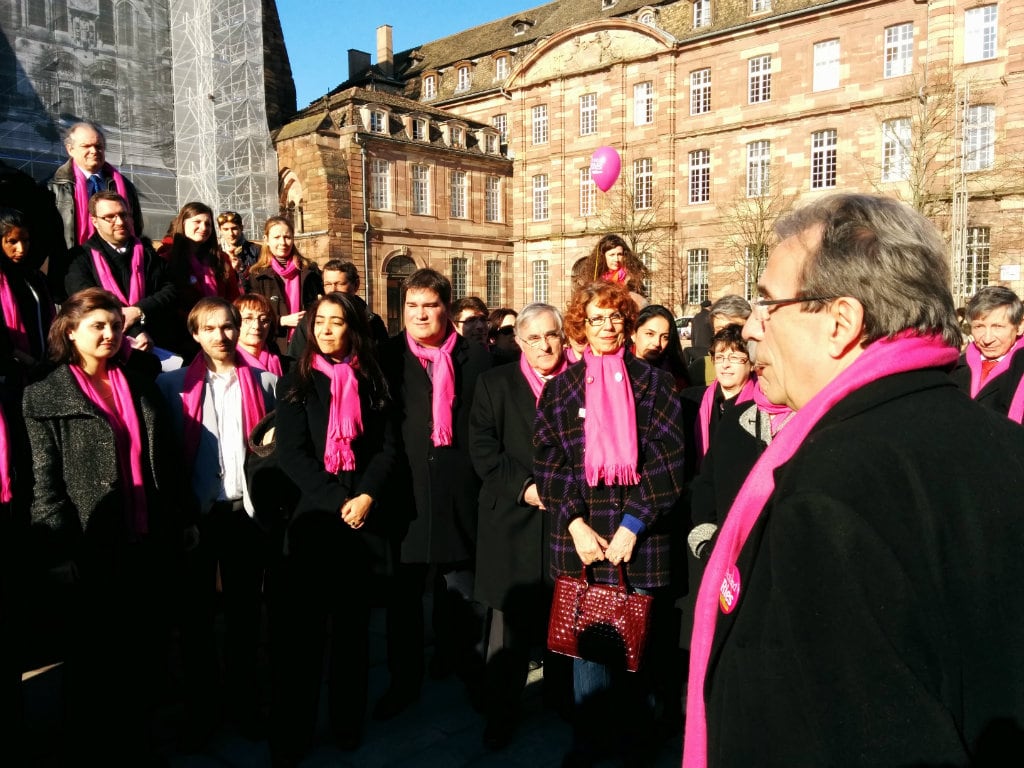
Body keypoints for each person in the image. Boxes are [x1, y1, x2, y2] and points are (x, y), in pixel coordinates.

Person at [685, 193, 1024, 767]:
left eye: (769, 303)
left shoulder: (830, 490)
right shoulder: (1001, 440)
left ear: (841, 322)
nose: (750, 330)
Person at [23, 287, 188, 764]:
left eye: (116, 324)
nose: (110, 333)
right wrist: (57, 550)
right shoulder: (44, 395)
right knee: (93, 659)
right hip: (92, 543)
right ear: (70, 331)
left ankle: (137, 741)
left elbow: (166, 459)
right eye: (97, 325)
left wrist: (178, 518)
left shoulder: (138, 382)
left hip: (146, 536)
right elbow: (44, 481)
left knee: (142, 652)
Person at [534, 280, 685, 767]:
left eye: (615, 317)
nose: (606, 326)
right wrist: (575, 523)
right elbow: (548, 461)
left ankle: (635, 745)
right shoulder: (560, 389)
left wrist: (632, 525)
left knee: (638, 653)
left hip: (637, 541)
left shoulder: (655, 383)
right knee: (588, 652)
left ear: (626, 324)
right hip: (582, 541)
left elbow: (669, 460)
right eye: (596, 318)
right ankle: (589, 742)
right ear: (582, 323)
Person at [269, 293, 397, 766]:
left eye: (335, 322)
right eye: (318, 321)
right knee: (301, 640)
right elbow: (291, 454)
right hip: (314, 520)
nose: (324, 330)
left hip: (362, 521)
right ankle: (292, 734)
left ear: (353, 328)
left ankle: (347, 725)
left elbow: (387, 448)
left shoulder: (373, 377)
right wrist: (337, 500)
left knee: (352, 634)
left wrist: (366, 495)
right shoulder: (297, 379)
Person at [156, 297, 277, 746]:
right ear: (195, 334)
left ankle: (245, 704)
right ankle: (202, 710)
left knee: (246, 617)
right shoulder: (173, 387)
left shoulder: (265, 381)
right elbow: (166, 458)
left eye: (228, 326)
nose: (222, 336)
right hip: (199, 513)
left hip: (244, 513)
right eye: (210, 329)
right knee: (196, 620)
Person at [374, 268, 492, 720]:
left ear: (448, 308)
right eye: (412, 306)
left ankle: (465, 668)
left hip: (459, 491)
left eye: (431, 305)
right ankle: (404, 681)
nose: (421, 314)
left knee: (461, 591)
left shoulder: (475, 359)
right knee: (404, 598)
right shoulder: (386, 357)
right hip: (406, 492)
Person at [469, 302, 571, 749]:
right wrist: (527, 488)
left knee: (562, 617)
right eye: (534, 338)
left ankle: (563, 701)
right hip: (514, 516)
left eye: (552, 335)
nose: (545, 345)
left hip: (567, 521)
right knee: (508, 627)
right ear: (520, 342)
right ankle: (501, 712)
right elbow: (483, 448)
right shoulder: (496, 384)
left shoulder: (578, 383)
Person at [64, 191, 175, 354]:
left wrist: (138, 310)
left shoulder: (147, 253)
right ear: (94, 221)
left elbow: (170, 289)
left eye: (124, 215)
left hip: (156, 346)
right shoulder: (78, 258)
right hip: (104, 348)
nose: (120, 222)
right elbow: (88, 300)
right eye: (110, 217)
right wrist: (136, 332)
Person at [46, 122, 145, 298]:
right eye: (86, 146)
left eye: (98, 146)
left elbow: (135, 225)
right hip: (73, 269)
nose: (94, 151)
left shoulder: (123, 186)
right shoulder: (52, 188)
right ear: (70, 149)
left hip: (119, 268)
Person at [158, 202, 241, 358]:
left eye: (208, 224)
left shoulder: (221, 259)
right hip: (182, 336)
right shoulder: (167, 258)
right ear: (183, 223)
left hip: (219, 333)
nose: (203, 228)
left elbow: (233, 297)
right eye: (197, 222)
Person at [249, 216, 322, 354]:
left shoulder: (310, 271)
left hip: (307, 344)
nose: (283, 242)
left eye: (287, 237)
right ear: (266, 240)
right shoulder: (257, 275)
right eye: (276, 237)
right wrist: (281, 321)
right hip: (273, 346)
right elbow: (251, 315)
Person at [288, 260, 388, 358]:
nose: (333, 290)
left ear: (356, 285)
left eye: (340, 284)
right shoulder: (309, 320)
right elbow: (294, 360)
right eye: (328, 284)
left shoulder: (373, 322)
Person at [950, 286, 1024, 417]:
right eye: (979, 327)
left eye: (998, 327)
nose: (987, 339)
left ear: (1019, 327)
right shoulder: (954, 368)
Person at [691, 324, 757, 463]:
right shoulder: (693, 402)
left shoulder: (762, 407)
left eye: (734, 357)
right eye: (720, 357)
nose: (725, 364)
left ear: (751, 364)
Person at [686, 294, 752, 384]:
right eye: (720, 330)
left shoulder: (767, 370)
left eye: (734, 330)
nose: (727, 337)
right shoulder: (700, 370)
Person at [632, 303, 689, 391]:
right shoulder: (618, 367)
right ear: (633, 334)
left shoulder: (675, 378)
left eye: (664, 337)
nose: (657, 343)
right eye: (650, 334)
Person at [234, 293, 288, 376]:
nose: (257, 326)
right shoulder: (226, 364)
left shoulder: (286, 365)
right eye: (248, 319)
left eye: (264, 320)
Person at [217, 211, 261, 290]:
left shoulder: (258, 250)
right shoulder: (215, 252)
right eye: (226, 229)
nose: (231, 233)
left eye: (234, 228)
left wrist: (241, 269)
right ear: (220, 230)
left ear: (241, 228)